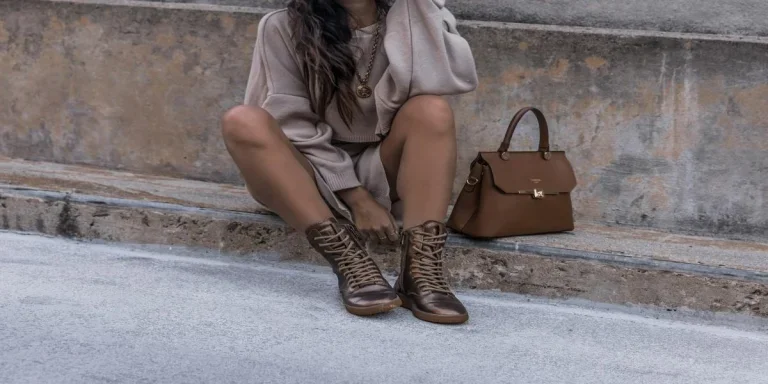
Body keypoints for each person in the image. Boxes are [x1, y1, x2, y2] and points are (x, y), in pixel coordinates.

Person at [221, 0, 478, 324]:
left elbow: (450, 78)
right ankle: (349, 259)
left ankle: (420, 272)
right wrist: (357, 199)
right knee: (242, 120)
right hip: (305, 174)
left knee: (432, 110)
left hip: (380, 167)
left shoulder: (409, 18)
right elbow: (291, 126)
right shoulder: (283, 26)